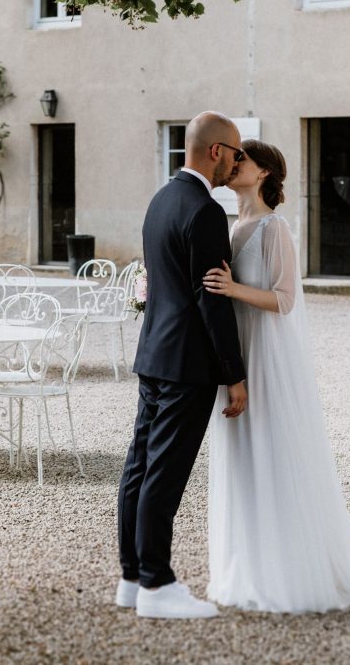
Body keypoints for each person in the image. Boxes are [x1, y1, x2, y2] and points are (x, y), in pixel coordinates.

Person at [203, 140, 350, 613]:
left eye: (243, 160)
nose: (234, 166)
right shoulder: (234, 223)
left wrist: (233, 288)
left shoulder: (274, 228)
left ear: (263, 174)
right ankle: (248, 565)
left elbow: (285, 300)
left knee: (270, 451)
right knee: (241, 455)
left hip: (264, 353)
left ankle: (287, 572)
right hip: (236, 352)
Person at [116, 111, 249, 620]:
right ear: (216, 151)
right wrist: (233, 373)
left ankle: (131, 578)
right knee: (163, 477)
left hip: (154, 355)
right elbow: (210, 299)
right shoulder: (205, 211)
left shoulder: (161, 200)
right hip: (186, 365)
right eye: (236, 153)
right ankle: (157, 584)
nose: (237, 163)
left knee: (140, 468)